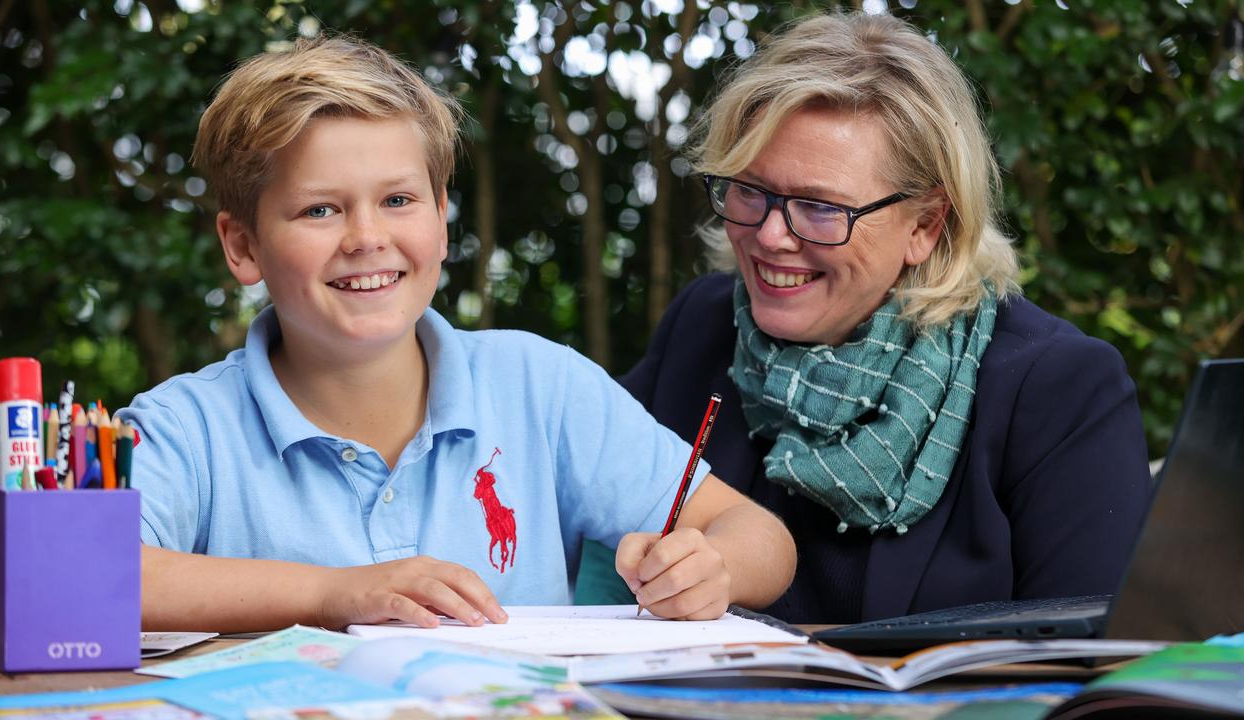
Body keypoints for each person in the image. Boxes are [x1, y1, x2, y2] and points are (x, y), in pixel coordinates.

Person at [120, 35, 796, 633]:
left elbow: (763, 538)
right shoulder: (185, 429)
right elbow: (82, 578)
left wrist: (716, 568)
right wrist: (332, 593)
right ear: (242, 246)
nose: (366, 238)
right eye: (319, 209)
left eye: (398, 200)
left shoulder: (541, 387)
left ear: (442, 218)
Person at [584, 11, 1151, 623]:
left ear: (926, 226)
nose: (772, 235)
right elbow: (558, 491)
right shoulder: (703, 327)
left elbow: (1101, 661)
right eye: (750, 190)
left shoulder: (1058, 389)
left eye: (820, 207)